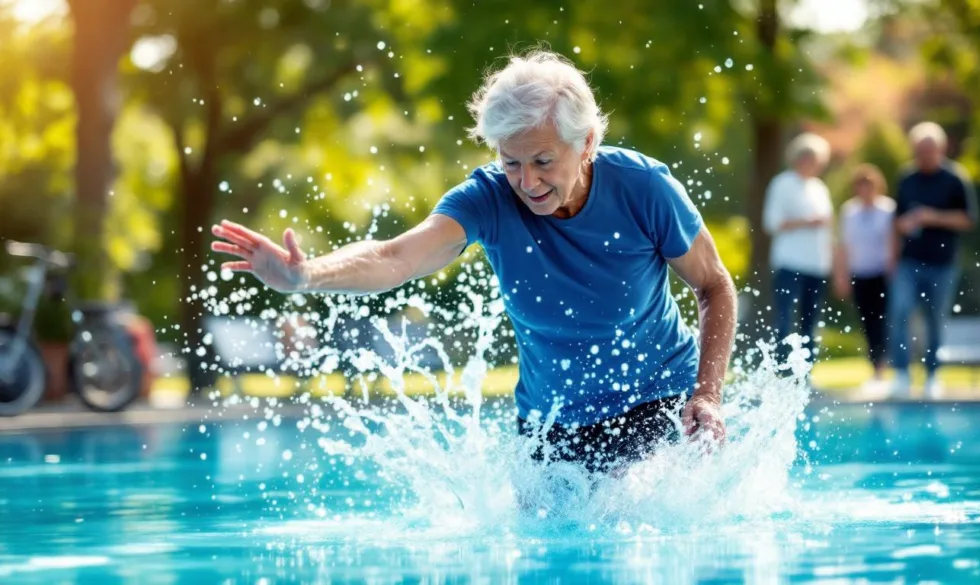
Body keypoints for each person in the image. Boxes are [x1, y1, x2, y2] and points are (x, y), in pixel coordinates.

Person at [210, 50, 738, 474]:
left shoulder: (644, 188)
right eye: (511, 162)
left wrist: (708, 395)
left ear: (587, 143)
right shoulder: (486, 198)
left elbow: (714, 286)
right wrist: (306, 275)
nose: (527, 182)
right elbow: (396, 257)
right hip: (550, 423)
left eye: (543, 161)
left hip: (656, 401)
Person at [888, 121, 978, 398]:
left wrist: (933, 216)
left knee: (934, 320)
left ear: (941, 148)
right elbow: (896, 221)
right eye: (919, 150)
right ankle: (901, 374)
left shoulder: (955, 178)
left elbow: (968, 219)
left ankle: (932, 376)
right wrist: (903, 226)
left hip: (943, 264)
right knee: (899, 311)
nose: (924, 155)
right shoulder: (906, 178)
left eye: (929, 149)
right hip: (909, 261)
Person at [762, 132, 834, 368]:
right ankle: (780, 370)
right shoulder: (782, 183)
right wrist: (806, 222)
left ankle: (805, 375)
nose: (810, 163)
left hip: (817, 264)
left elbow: (828, 227)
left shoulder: (819, 188)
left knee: (810, 323)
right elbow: (771, 223)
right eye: (806, 157)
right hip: (789, 262)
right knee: (784, 319)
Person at [833, 164, 895, 384]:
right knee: (867, 321)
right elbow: (843, 246)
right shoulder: (849, 212)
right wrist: (841, 275)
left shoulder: (888, 209)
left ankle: (885, 365)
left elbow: (893, 241)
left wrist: (893, 268)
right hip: (860, 273)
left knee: (884, 320)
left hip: (882, 273)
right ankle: (874, 365)